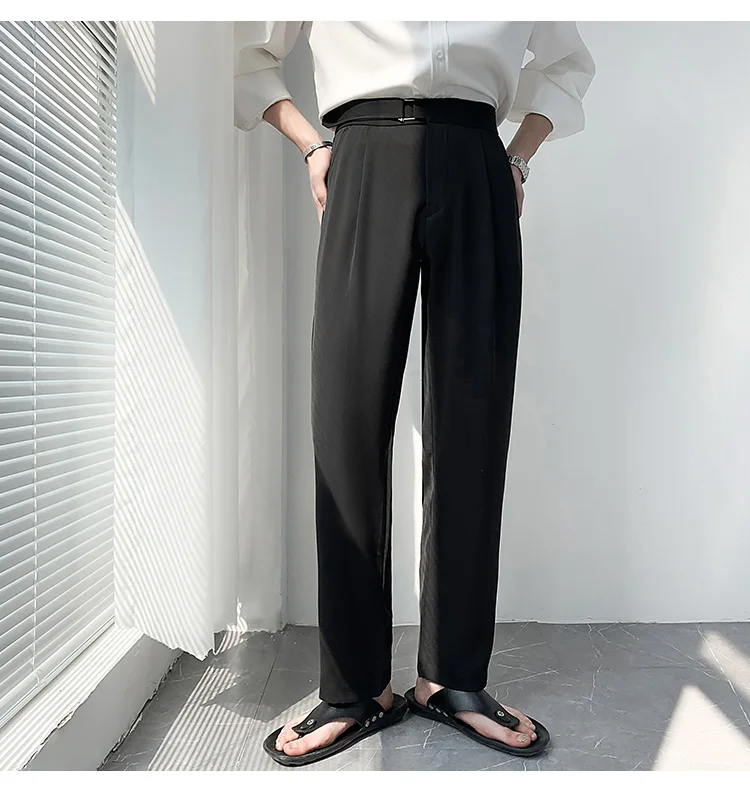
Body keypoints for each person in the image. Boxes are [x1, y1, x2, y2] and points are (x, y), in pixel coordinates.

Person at [234, 21, 595, 767]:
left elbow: (567, 63)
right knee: (347, 422)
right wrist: (313, 146)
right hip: (360, 153)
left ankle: (453, 678)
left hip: (477, 159)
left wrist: (517, 158)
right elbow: (252, 56)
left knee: (472, 424)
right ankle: (353, 689)